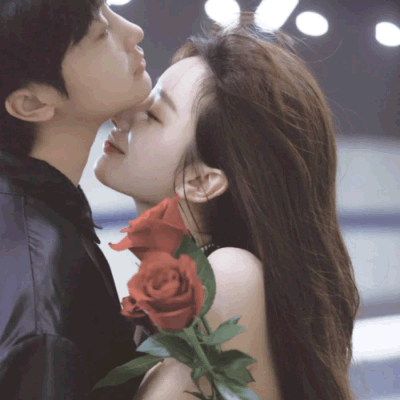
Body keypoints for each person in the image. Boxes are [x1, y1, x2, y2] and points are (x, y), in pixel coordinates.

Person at [94, 16, 361, 400]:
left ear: (202, 181)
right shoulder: (190, 282)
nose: (121, 115)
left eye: (152, 115)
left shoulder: (230, 274)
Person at [0, 0, 152, 398]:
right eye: (100, 33)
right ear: (31, 104)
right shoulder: (43, 287)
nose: (134, 32)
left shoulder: (40, 219)